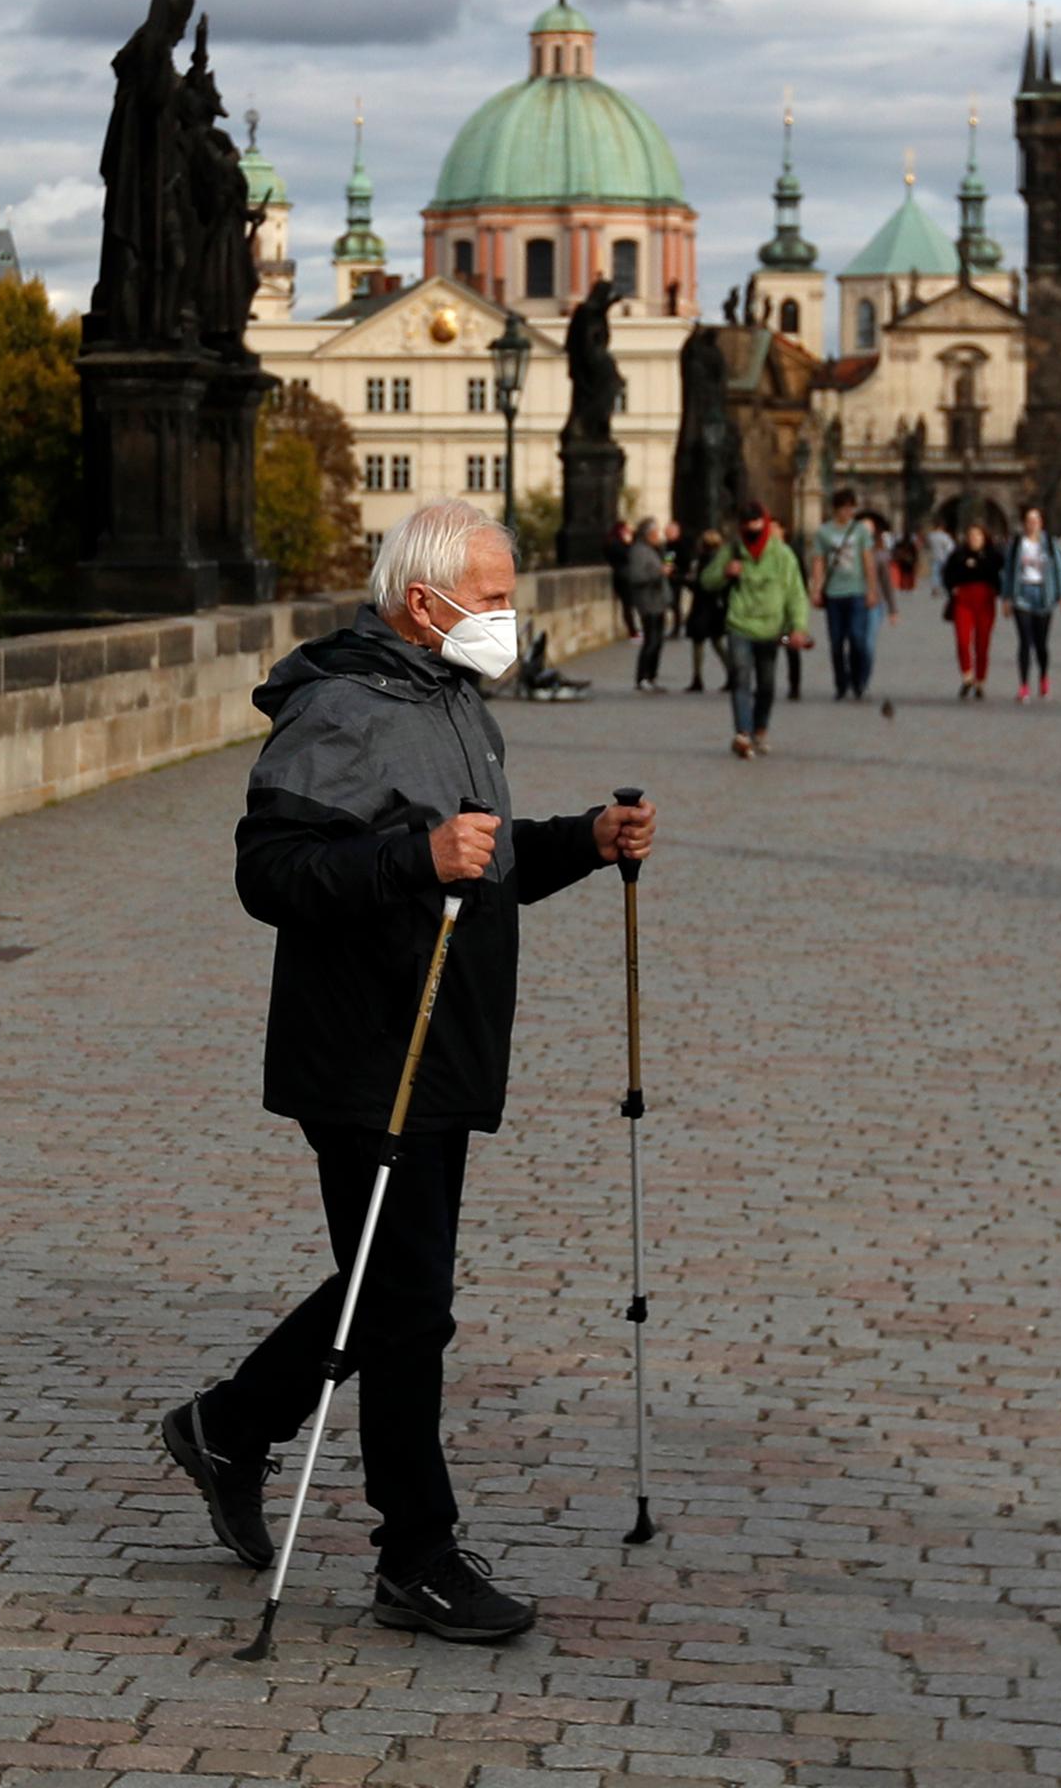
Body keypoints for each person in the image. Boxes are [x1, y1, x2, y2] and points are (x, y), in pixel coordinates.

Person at [162, 499, 656, 1648]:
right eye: (491, 600)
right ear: (424, 601)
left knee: (395, 1285)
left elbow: (479, 869)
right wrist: (408, 858)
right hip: (365, 1046)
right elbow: (271, 872)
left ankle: (230, 1426)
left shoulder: (451, 698)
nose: (506, 619)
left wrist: (582, 839)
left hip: (442, 1040)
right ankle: (415, 1554)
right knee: (407, 1304)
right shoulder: (340, 707)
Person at [705, 497, 813, 758]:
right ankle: (743, 732)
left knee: (766, 685)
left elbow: (795, 593)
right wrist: (724, 573)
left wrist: (798, 626)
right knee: (741, 678)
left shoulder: (782, 554)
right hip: (739, 624)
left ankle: (760, 729)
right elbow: (706, 581)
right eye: (747, 527)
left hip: (771, 629)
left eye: (756, 526)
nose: (752, 532)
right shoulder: (731, 551)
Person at [809, 492, 890, 701]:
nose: (848, 512)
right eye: (844, 508)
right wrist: (816, 589)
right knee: (836, 641)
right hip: (834, 593)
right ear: (835, 508)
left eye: (851, 508)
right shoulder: (824, 532)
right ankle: (841, 683)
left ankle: (858, 681)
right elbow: (818, 561)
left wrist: (872, 590)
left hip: (857, 592)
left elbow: (868, 561)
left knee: (857, 639)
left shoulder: (860, 530)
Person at [1003, 505, 1061, 704]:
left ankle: (1043, 677)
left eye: (1035, 520)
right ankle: (1024, 686)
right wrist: (1007, 598)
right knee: (1024, 642)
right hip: (1022, 595)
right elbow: (1008, 571)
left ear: (1041, 523)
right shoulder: (1017, 543)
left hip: (1044, 596)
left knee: (1041, 644)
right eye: (1029, 520)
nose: (1032, 524)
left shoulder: (1051, 544)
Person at [939, 519, 1003, 699]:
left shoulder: (993, 555)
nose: (974, 539)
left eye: (978, 535)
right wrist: (952, 588)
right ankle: (967, 676)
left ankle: (980, 680)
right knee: (962, 640)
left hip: (985, 601)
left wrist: (999, 591)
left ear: (984, 537)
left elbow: (1001, 575)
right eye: (971, 535)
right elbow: (947, 574)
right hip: (963, 601)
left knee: (982, 644)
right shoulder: (958, 554)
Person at [621, 517, 673, 693]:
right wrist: (658, 573)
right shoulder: (639, 552)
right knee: (651, 641)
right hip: (648, 602)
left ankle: (651, 676)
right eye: (655, 533)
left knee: (658, 641)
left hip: (658, 601)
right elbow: (636, 577)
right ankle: (643, 677)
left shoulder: (653, 550)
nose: (658, 536)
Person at [678, 526, 727, 693]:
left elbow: (700, 584)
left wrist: (682, 580)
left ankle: (697, 678)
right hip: (716, 606)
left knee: (699, 643)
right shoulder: (720, 559)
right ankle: (732, 674)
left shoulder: (703, 560)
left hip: (702, 606)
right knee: (717, 642)